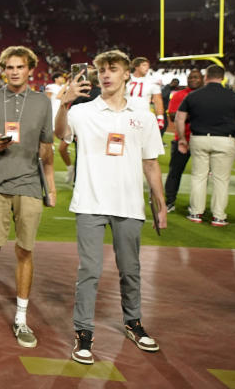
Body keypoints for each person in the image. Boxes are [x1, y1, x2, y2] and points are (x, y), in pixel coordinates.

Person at [55, 50, 167, 365]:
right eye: (102, 69)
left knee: (131, 270)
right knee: (89, 270)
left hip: (129, 203)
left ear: (126, 74)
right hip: (90, 201)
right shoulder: (82, 111)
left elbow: (151, 163)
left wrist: (160, 204)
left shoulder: (143, 114)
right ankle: (83, 333)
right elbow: (60, 133)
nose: (105, 74)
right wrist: (64, 103)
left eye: (112, 69)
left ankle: (133, 323)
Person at [0, 45, 56, 349]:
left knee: (25, 250)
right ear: (3, 69)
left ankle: (20, 317)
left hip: (30, 183)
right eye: (9, 67)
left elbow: (47, 149)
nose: (14, 72)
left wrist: (51, 185)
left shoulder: (43, 103)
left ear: (31, 69)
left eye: (20, 67)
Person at [174, 65, 235, 226]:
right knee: (221, 180)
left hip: (199, 138)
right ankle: (219, 216)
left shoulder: (194, 96)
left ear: (206, 77)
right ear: (223, 77)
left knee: (199, 177)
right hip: (225, 139)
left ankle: (196, 213)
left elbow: (179, 118)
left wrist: (182, 139)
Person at [163, 69, 204, 212]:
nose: (192, 79)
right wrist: (199, 114)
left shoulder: (206, 95)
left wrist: (186, 114)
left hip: (202, 140)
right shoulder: (179, 95)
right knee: (175, 172)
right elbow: (173, 116)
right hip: (181, 139)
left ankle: (197, 205)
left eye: (196, 77)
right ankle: (169, 201)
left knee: (201, 175)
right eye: (190, 77)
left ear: (203, 79)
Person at [127, 57, 165, 135]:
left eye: (148, 65)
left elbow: (158, 100)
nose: (147, 67)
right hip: (125, 114)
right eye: (144, 65)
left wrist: (160, 117)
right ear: (136, 66)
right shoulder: (125, 78)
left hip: (142, 115)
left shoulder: (152, 81)